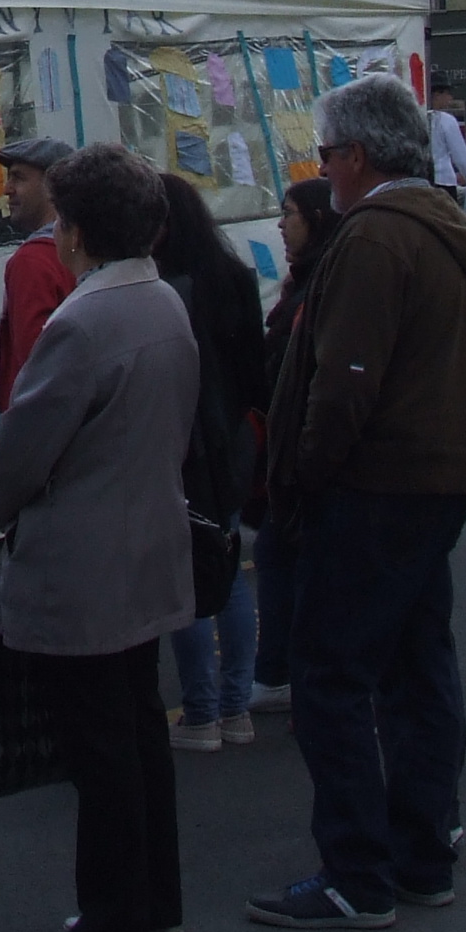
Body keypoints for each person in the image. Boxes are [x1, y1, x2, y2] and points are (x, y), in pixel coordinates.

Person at [249, 76, 466, 931]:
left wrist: (306, 475)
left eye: (325, 155)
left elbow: (344, 380)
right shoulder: (447, 226)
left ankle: (356, 871)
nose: (322, 171)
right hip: (434, 476)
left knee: (331, 675)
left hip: (377, 482)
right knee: (418, 666)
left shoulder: (375, 236)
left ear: (354, 156)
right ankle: (422, 852)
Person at [0, 143, 199, 932]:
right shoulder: (162, 300)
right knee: (137, 731)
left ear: (74, 230)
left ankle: (111, 926)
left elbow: (24, 448)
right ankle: (154, 907)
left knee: (101, 745)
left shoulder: (84, 319)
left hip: (83, 556)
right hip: (147, 541)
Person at [152, 171, 268, 753]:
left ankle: (200, 713)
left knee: (188, 576)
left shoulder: (160, 288)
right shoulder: (234, 278)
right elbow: (255, 372)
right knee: (228, 567)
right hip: (233, 442)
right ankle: (236, 706)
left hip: (183, 444)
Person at [249, 179, 343, 710]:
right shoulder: (303, 280)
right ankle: (279, 671)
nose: (281, 226)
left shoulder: (325, 284)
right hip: (292, 447)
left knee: (285, 554)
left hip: (307, 451)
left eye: (290, 214)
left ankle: (282, 674)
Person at [0, 134, 76, 410]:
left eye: (18, 178)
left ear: (51, 186)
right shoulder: (87, 250)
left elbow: (37, 367)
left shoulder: (32, 261)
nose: (7, 189)